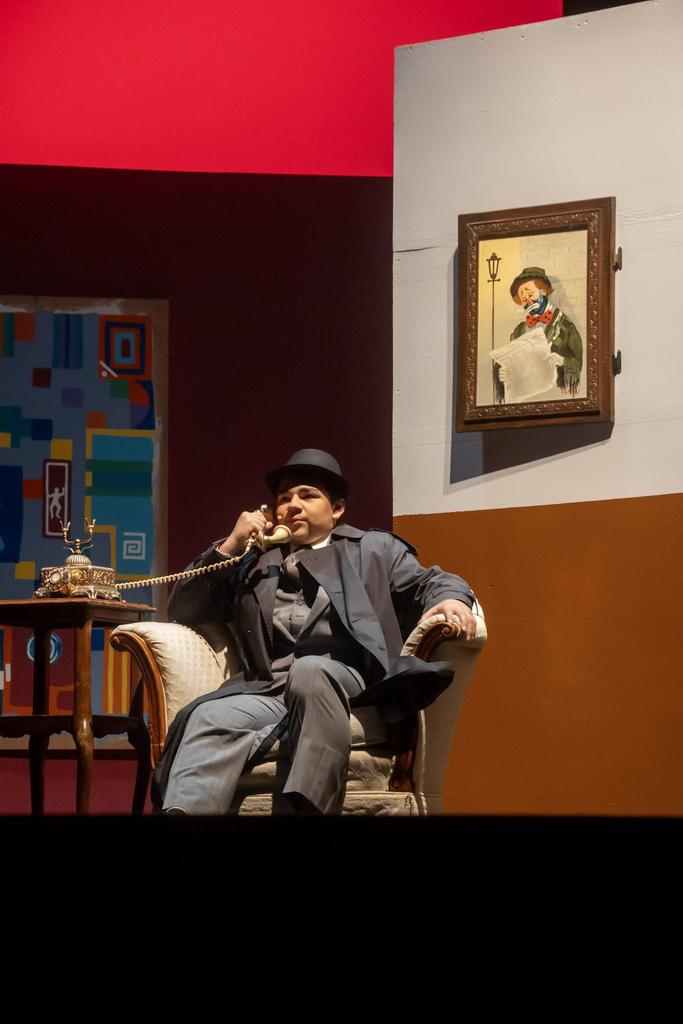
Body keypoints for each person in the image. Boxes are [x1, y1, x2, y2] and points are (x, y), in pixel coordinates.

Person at [152, 448, 476, 816]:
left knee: (310, 671)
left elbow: (432, 580)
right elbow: (185, 609)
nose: (292, 506)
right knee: (209, 715)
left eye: (307, 496)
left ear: (336, 509)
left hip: (349, 682)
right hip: (270, 689)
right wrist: (229, 546)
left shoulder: (373, 549)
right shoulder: (255, 561)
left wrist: (453, 599)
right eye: (284, 498)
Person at [495, 266, 583, 403]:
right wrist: (506, 374)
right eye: (523, 299)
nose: (527, 301)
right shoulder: (519, 331)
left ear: (543, 291)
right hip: (525, 402)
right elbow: (516, 366)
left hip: (556, 399)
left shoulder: (565, 325)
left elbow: (580, 364)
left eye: (530, 294)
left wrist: (562, 362)